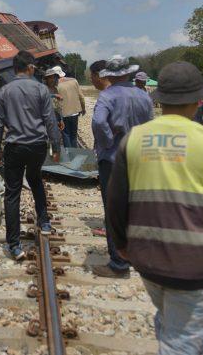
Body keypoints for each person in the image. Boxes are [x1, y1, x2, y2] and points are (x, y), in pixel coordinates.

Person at [107, 61, 203, 354]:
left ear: (160, 100)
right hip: (195, 268)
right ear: (197, 101)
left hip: (148, 263)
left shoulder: (134, 140)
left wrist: (121, 244)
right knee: (182, 342)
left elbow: (115, 200)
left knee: (169, 320)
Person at [0, 51, 62, 261]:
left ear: (15, 69)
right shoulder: (41, 89)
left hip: (15, 146)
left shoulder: (4, 91)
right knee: (35, 179)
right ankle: (45, 222)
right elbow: (50, 120)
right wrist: (56, 145)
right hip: (38, 146)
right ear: (30, 67)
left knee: (12, 192)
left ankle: (14, 246)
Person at [91, 55, 154, 278]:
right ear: (128, 73)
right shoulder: (143, 96)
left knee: (113, 210)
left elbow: (99, 122)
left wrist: (107, 142)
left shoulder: (107, 96)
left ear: (110, 75)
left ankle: (118, 262)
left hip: (112, 160)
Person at [58, 68, 87, 148]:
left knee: (66, 135)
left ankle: (69, 155)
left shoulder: (56, 85)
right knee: (73, 135)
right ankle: (75, 154)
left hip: (63, 114)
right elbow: (81, 97)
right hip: (75, 113)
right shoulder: (74, 81)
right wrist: (83, 109)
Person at [44, 66, 65, 131]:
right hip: (47, 120)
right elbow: (43, 97)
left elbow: (59, 106)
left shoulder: (55, 89)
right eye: (50, 77)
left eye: (53, 77)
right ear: (46, 79)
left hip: (56, 119)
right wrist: (54, 95)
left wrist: (61, 119)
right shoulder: (43, 88)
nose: (52, 79)